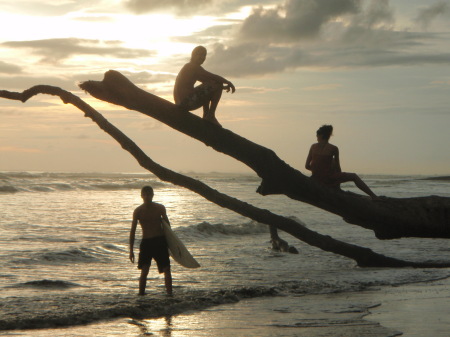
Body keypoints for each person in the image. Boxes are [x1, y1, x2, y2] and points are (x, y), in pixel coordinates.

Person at [305, 125, 379, 200]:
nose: (316, 138)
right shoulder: (333, 148)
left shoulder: (313, 146)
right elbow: (338, 168)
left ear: (321, 135)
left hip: (316, 178)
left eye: (317, 136)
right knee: (354, 176)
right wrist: (337, 182)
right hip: (327, 178)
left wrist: (318, 171)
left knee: (332, 161)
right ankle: (374, 196)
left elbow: (307, 166)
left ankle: (334, 186)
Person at [173, 45, 235, 126]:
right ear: (193, 55)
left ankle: (206, 114)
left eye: (204, 55)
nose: (202, 57)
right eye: (200, 54)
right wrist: (228, 82)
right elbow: (213, 77)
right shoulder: (192, 66)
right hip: (186, 102)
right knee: (218, 82)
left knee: (210, 84)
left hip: (183, 102)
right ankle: (210, 115)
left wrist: (222, 87)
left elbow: (209, 83)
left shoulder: (191, 67)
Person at [129, 186, 172, 295]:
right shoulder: (138, 211)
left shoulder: (160, 208)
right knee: (144, 271)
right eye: (145, 194)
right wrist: (131, 250)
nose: (147, 197)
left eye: (149, 194)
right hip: (146, 243)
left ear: (153, 195)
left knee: (167, 269)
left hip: (160, 241)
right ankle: (141, 296)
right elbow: (133, 231)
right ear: (141, 196)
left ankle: (170, 295)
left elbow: (168, 227)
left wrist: (171, 245)